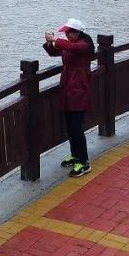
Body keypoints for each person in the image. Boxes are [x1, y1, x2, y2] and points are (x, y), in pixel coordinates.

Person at [43, 18, 95, 177]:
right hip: (67, 91)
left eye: (68, 32)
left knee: (76, 128)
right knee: (70, 126)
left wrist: (55, 40)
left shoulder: (84, 45)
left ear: (76, 32)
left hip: (79, 91)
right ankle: (74, 155)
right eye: (65, 33)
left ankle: (84, 162)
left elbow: (71, 47)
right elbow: (56, 51)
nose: (66, 35)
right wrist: (49, 44)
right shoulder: (70, 46)